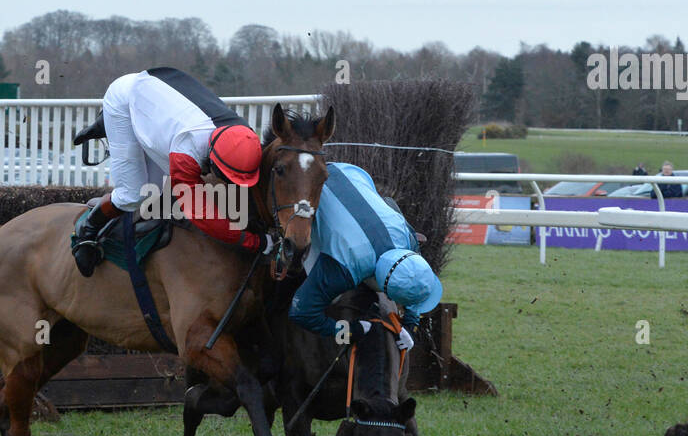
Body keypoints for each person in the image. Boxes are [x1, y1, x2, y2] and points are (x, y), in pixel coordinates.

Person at [72, 67, 271, 277]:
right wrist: (254, 242)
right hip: (125, 100)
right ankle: (88, 228)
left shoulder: (244, 135)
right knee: (137, 194)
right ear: (213, 157)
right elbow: (202, 215)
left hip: (156, 95)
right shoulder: (186, 152)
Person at [288, 161, 441, 349]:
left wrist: (410, 325)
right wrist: (351, 331)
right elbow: (301, 313)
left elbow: (414, 279)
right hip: (301, 187)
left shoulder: (406, 238)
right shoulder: (343, 268)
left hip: (351, 171)